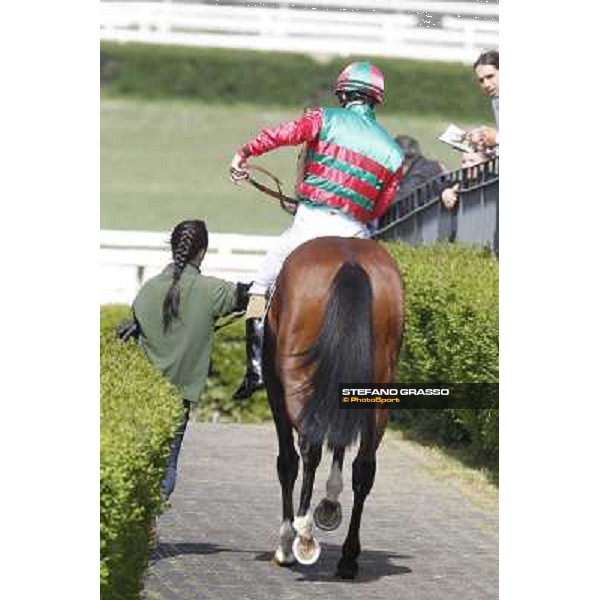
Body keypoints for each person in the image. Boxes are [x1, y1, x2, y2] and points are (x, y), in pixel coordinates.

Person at [229, 61, 405, 400]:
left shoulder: (323, 119)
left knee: (260, 286)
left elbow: (282, 134)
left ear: (342, 92)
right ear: (376, 99)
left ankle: (254, 371)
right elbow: (380, 207)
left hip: (309, 225)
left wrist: (245, 153)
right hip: (357, 232)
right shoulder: (394, 153)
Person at [117, 219, 250, 501]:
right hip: (178, 397)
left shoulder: (147, 290)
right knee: (167, 465)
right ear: (202, 251)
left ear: (173, 247)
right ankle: (150, 520)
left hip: (142, 391)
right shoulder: (213, 290)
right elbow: (250, 297)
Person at [466, 50, 499, 153]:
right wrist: (484, 139)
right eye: (481, 80)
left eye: (490, 76)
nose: (486, 85)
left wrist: (497, 138)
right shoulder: (496, 100)